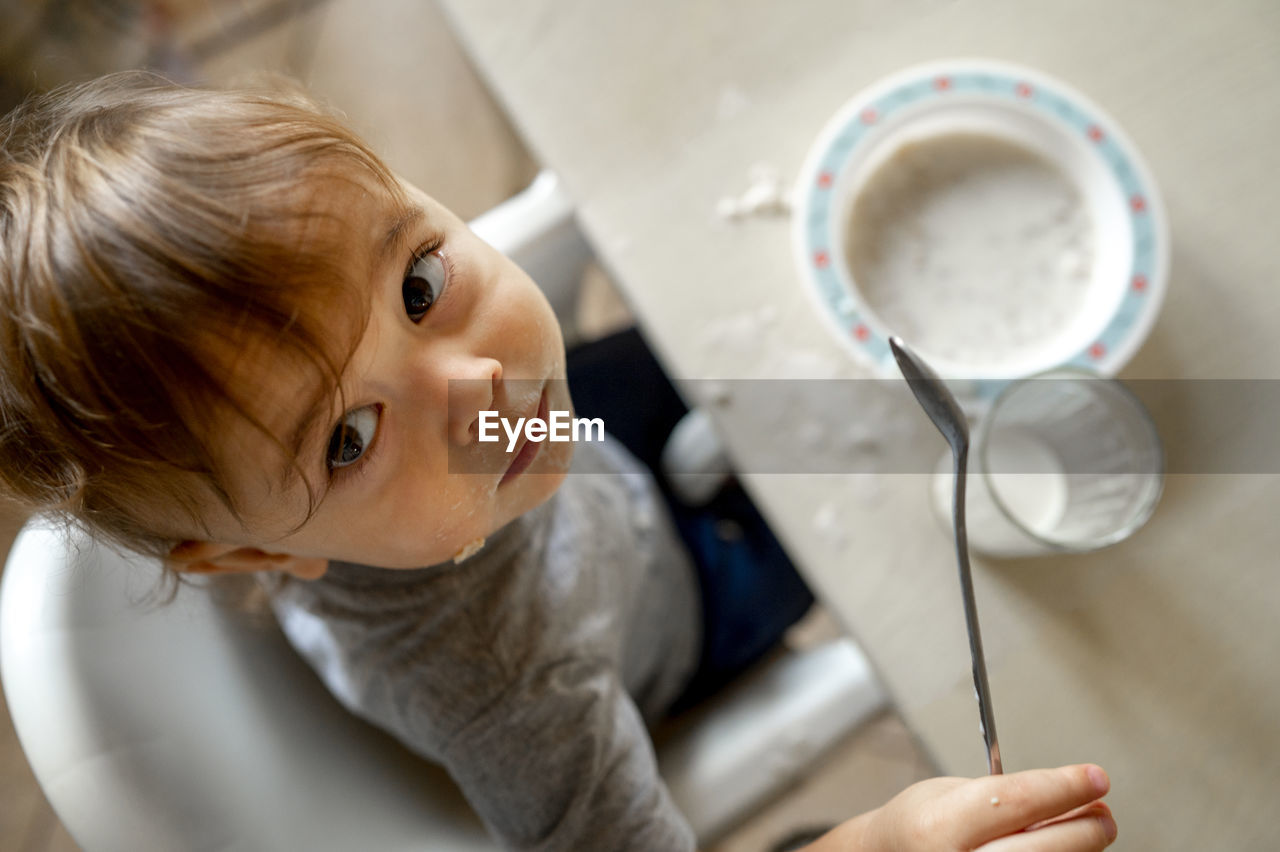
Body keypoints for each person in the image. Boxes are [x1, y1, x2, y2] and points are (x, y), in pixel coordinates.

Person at [0, 73, 1117, 851]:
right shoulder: (510, 688)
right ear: (248, 551)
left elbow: (482, 413)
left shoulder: (464, 442)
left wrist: (415, 438)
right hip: (686, 599)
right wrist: (880, 842)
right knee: (881, 516)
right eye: (346, 437)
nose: (477, 389)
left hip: (584, 469)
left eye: (420, 287)